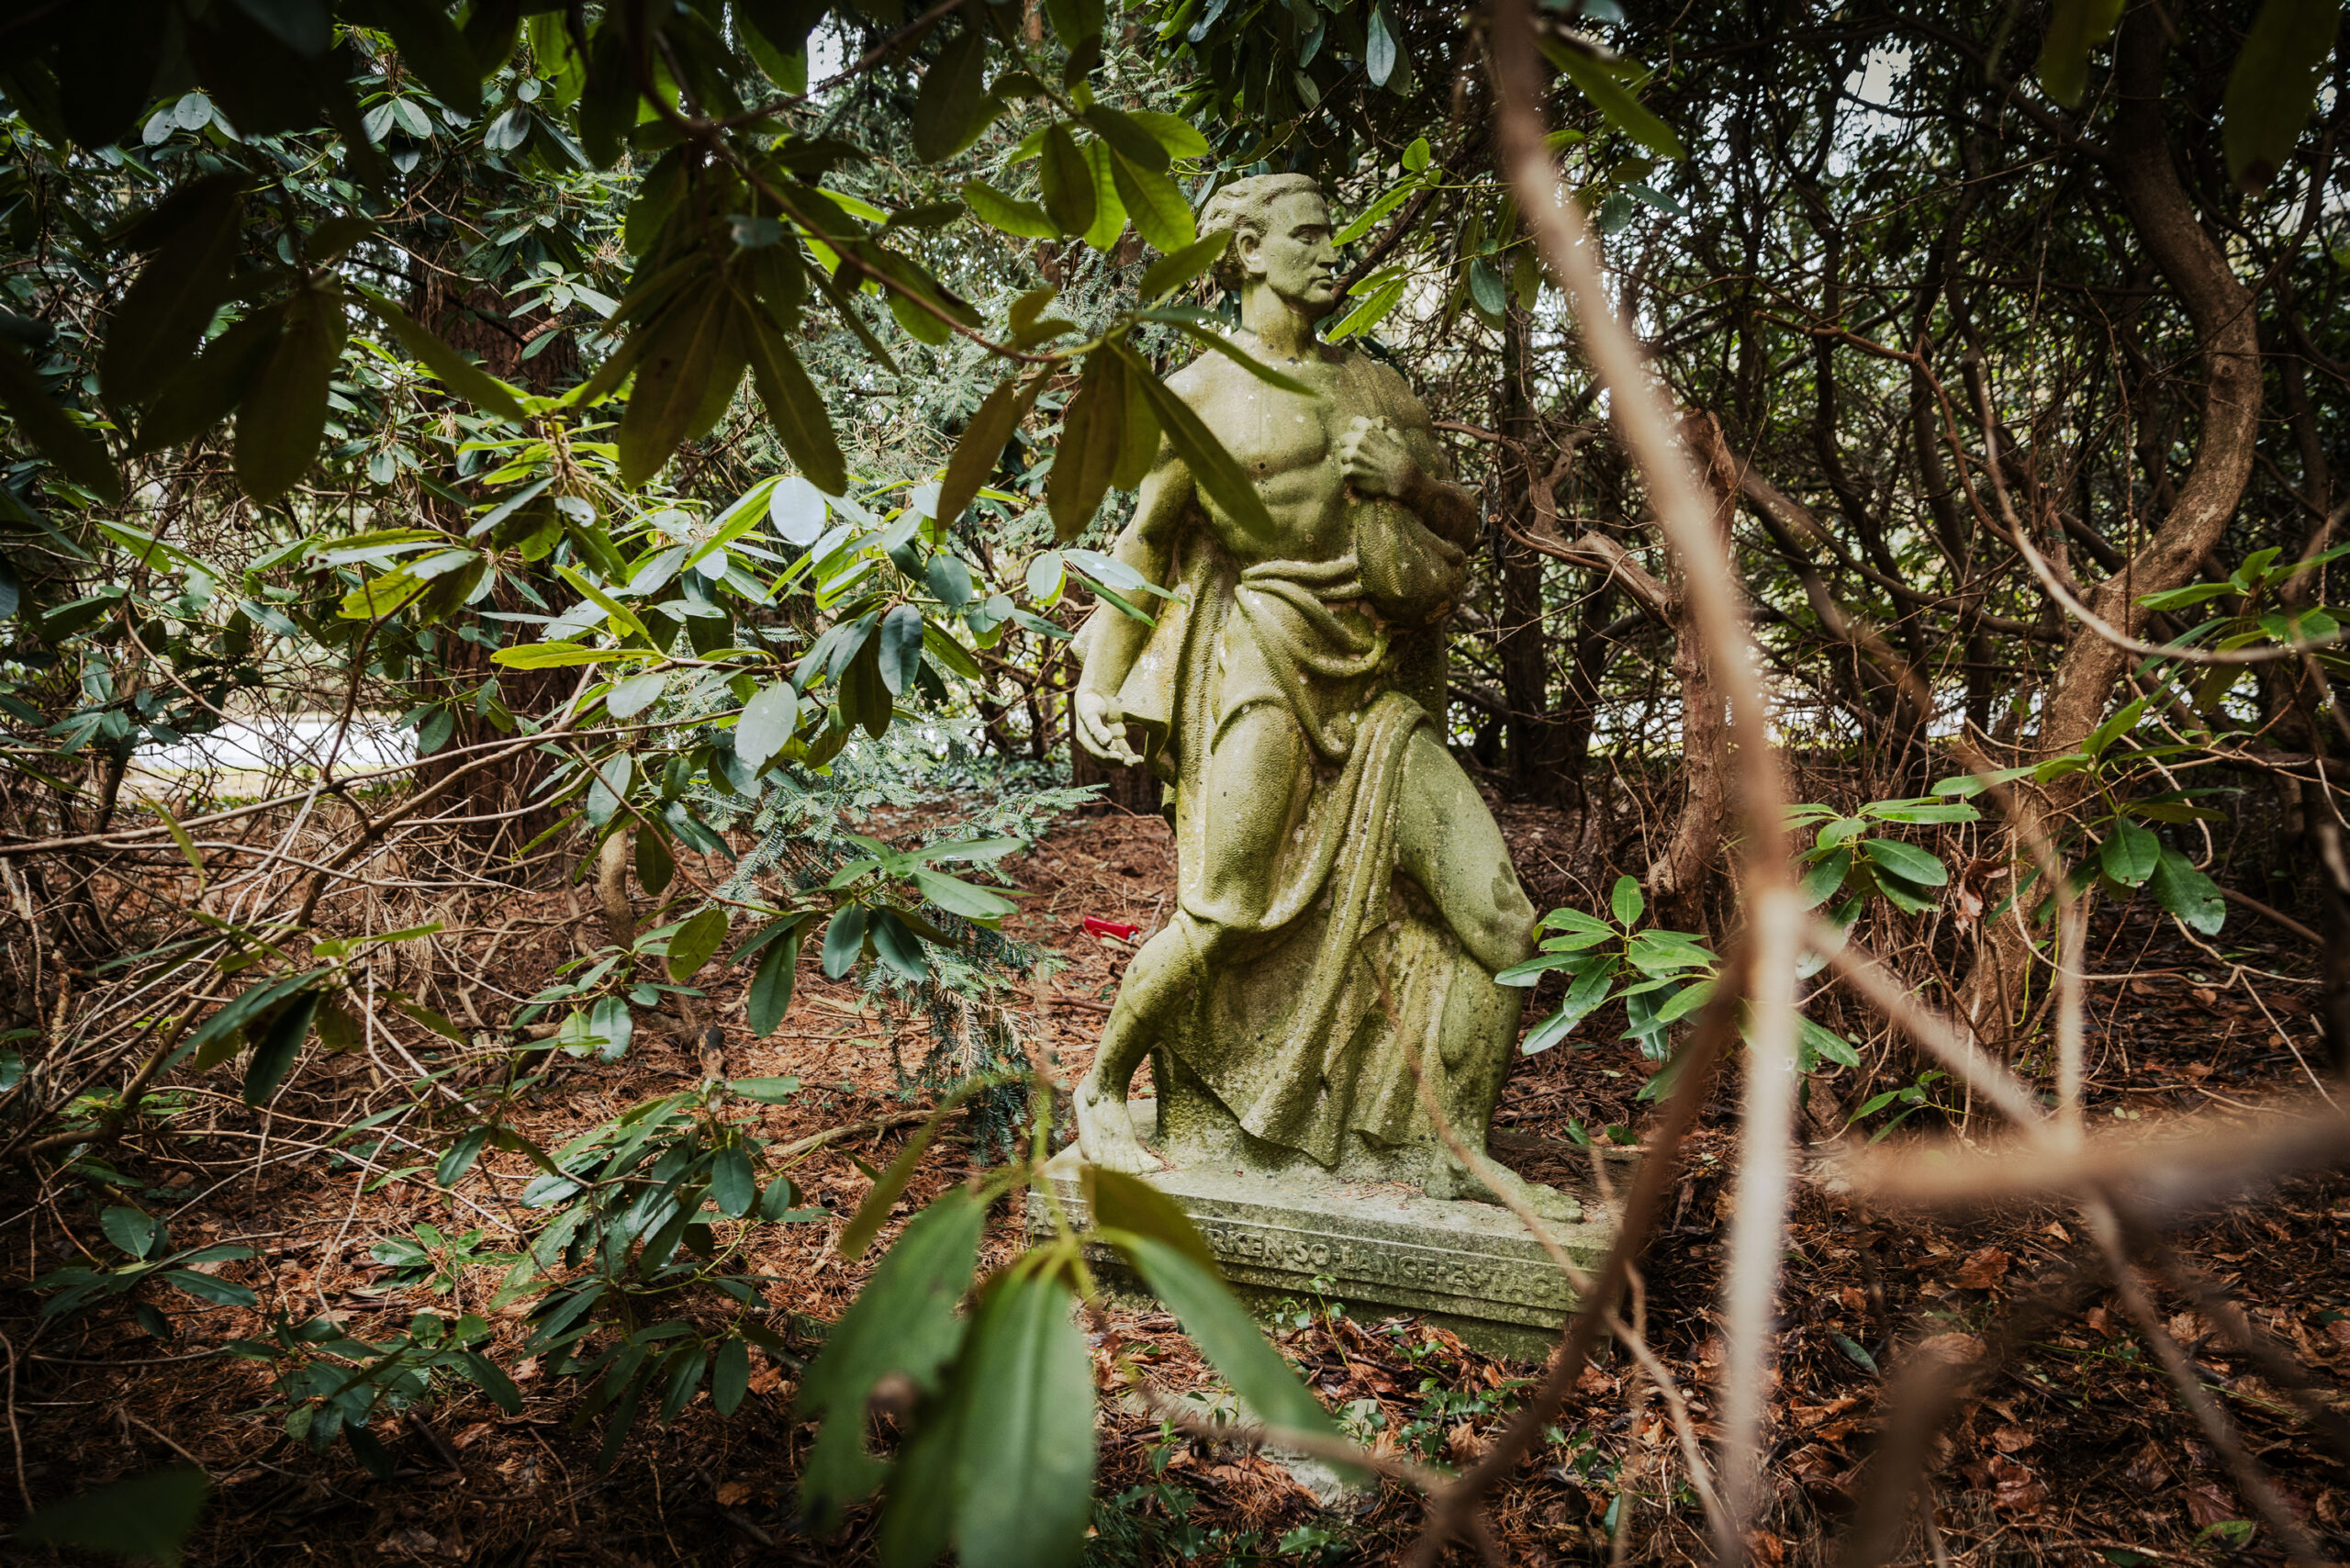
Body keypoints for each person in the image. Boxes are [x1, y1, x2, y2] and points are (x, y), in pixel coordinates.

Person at [1069, 172, 1577, 1222]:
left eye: (1331, 236)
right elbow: (1142, 544)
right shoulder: (1200, 393)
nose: (1329, 253)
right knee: (1223, 911)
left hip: (1381, 692)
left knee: (1505, 924)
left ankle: (1451, 1151)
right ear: (1246, 253)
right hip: (1261, 660)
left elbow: (1461, 527)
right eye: (1306, 237)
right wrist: (1099, 671)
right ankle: (1101, 1085)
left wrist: (1410, 481)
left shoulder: (1378, 390)